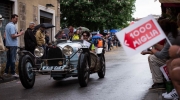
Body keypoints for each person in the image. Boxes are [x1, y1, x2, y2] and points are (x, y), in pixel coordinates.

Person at [147, 19, 178, 90]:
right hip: (174, 58)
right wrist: (154, 44)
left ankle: (159, 82)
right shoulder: (172, 34)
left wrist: (151, 48)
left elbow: (161, 55)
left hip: (175, 60)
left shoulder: (171, 37)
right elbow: (165, 48)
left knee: (152, 58)